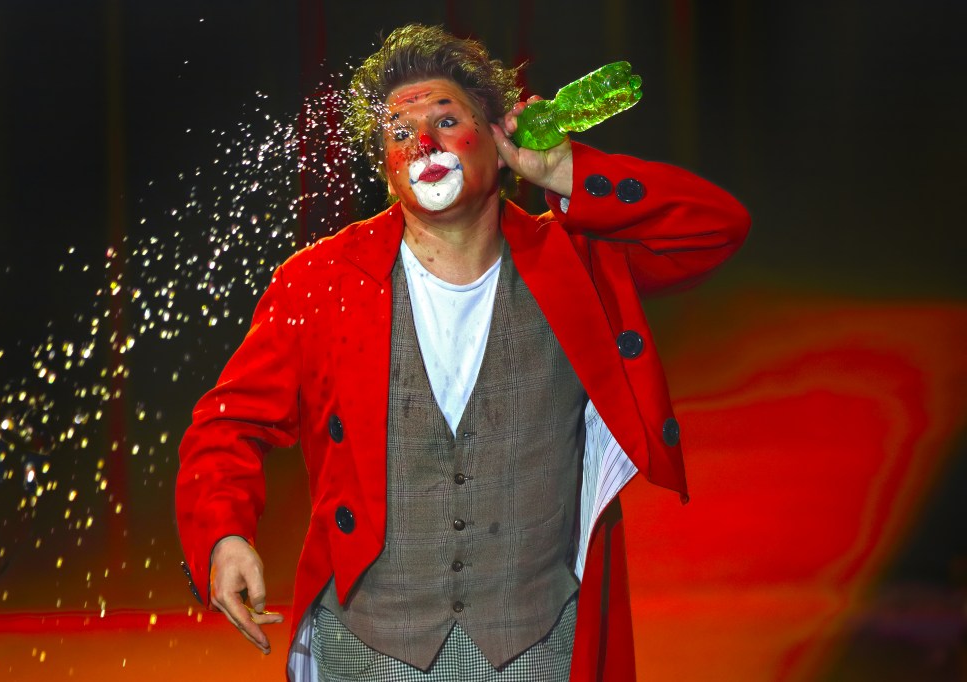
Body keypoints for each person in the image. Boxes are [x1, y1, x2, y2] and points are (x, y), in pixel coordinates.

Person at [176, 24, 750, 682]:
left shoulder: (575, 264)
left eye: (446, 121)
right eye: (400, 132)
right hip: (366, 652)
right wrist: (223, 535)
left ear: (501, 143)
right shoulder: (322, 280)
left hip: (536, 649)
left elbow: (716, 227)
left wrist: (565, 171)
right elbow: (227, 425)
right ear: (387, 167)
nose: (423, 143)